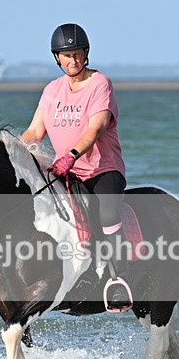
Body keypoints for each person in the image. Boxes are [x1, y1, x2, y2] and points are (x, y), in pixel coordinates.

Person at [21, 23, 132, 312]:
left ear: (86, 54)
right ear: (56, 57)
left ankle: (119, 279)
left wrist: (71, 154)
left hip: (102, 170)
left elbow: (96, 128)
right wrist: (14, 153)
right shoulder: (52, 90)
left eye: (77, 54)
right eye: (66, 55)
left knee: (106, 211)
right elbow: (34, 132)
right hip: (65, 173)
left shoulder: (100, 84)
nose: (72, 61)